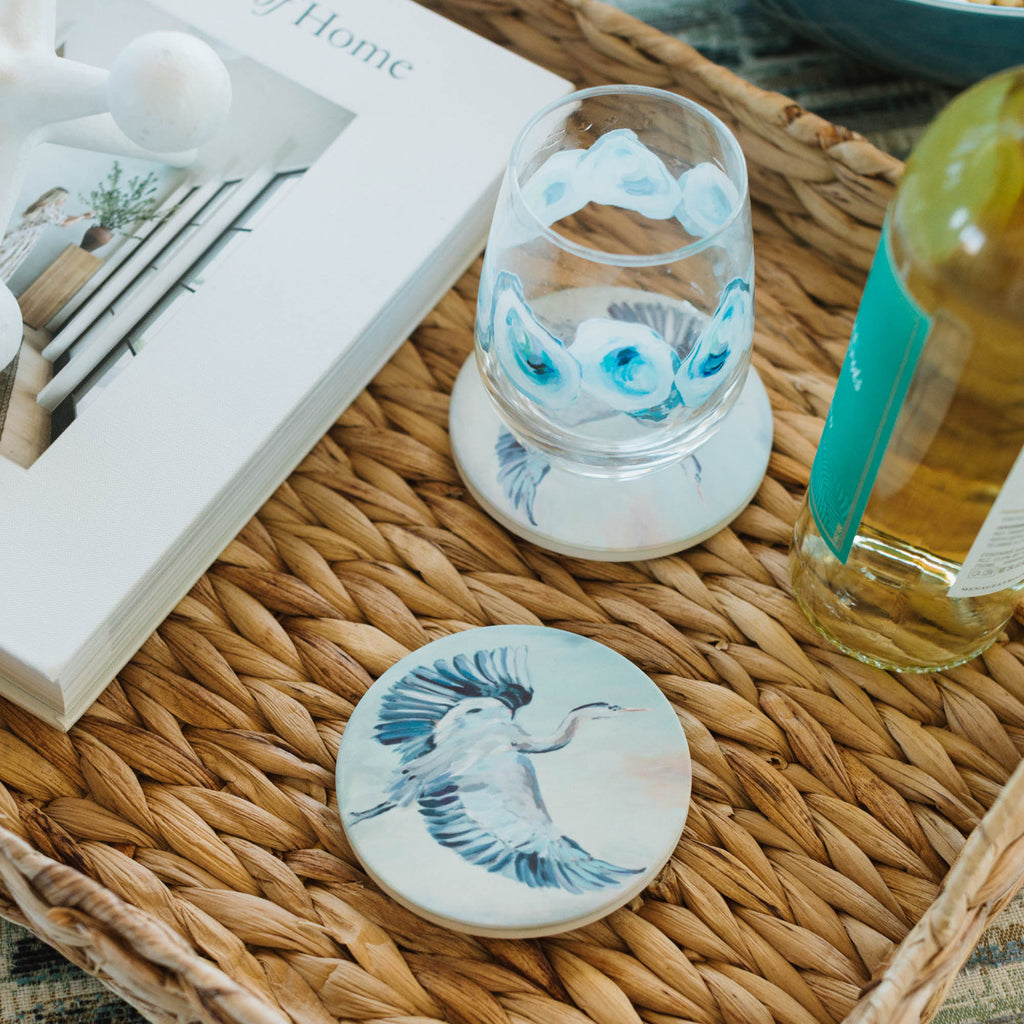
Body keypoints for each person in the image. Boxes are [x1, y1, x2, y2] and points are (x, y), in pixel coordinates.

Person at [0, 187, 92, 282]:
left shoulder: (50, 208)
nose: (65, 201)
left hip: (24, 234)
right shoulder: (47, 209)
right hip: (25, 236)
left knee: (8, 256)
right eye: (63, 199)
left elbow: (65, 217)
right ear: (56, 198)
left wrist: (82, 216)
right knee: (8, 256)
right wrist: (83, 217)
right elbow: (64, 223)